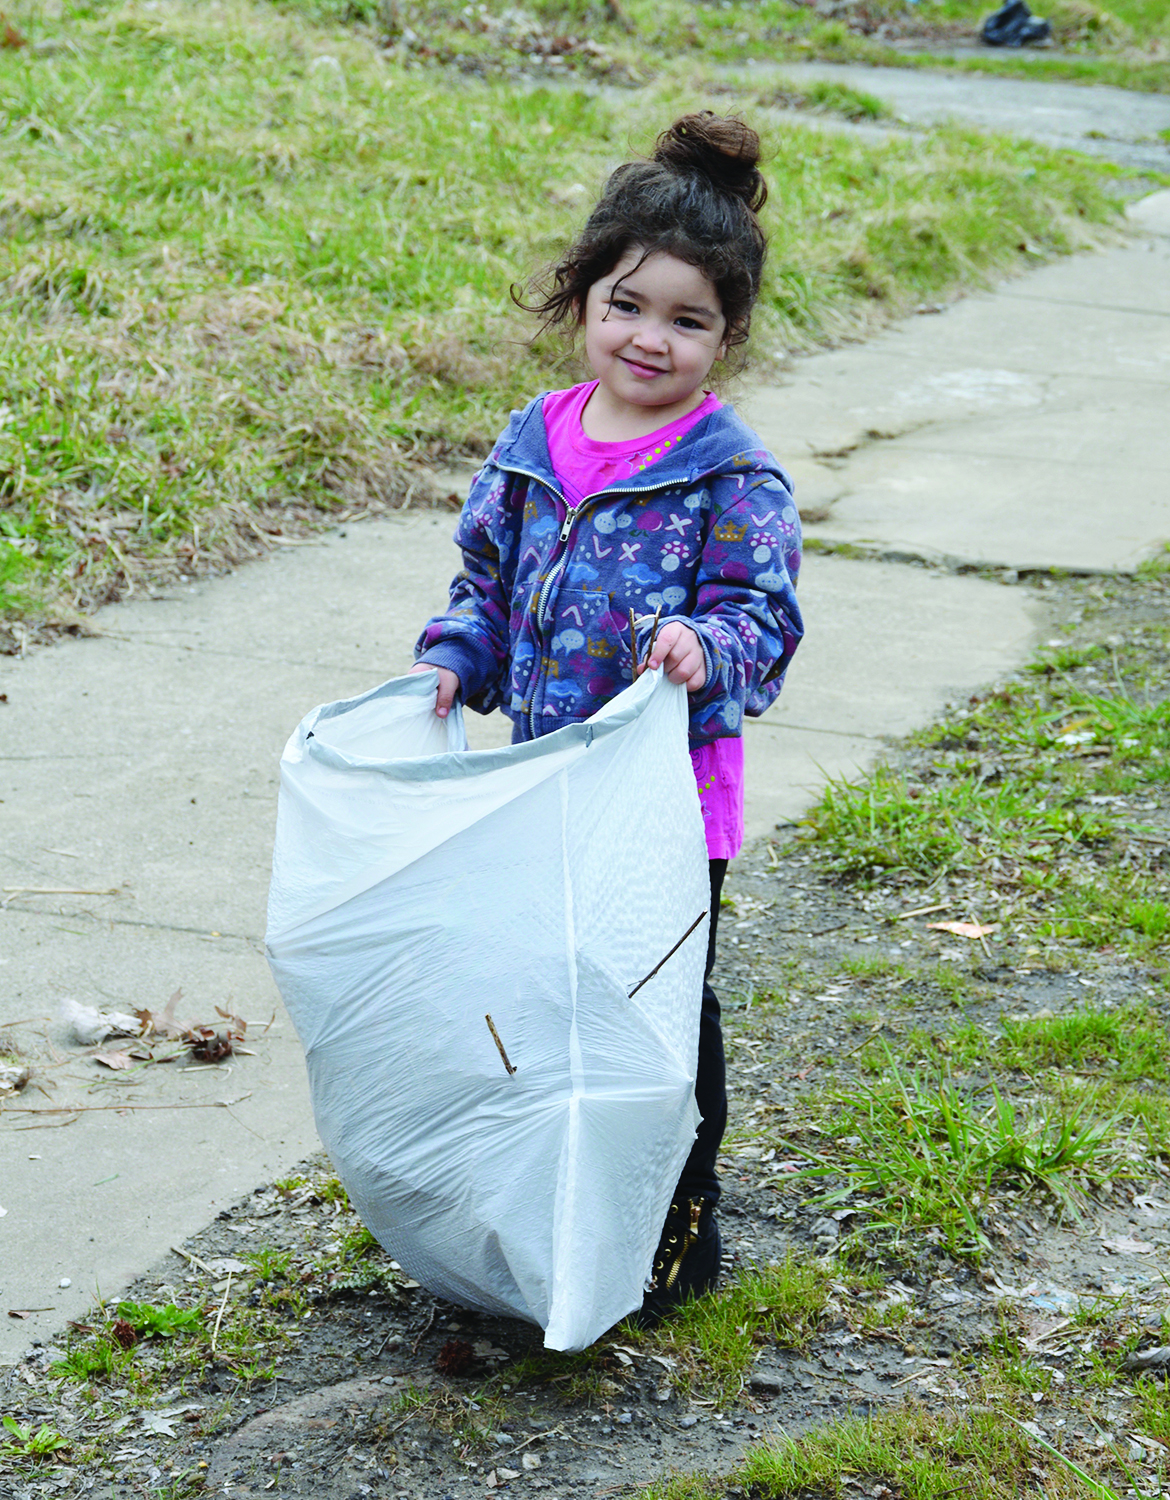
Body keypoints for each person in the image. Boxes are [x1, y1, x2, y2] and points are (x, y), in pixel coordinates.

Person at [410, 111, 803, 1324]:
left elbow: (767, 620)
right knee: (541, 996)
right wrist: (452, 662)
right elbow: (486, 581)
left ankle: (678, 1216)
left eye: (689, 321)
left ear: (727, 338)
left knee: (659, 1011)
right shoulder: (534, 439)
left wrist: (707, 644)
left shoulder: (732, 475)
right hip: (543, 781)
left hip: (668, 807)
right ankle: (548, 1200)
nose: (651, 338)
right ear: (582, 299)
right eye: (628, 305)